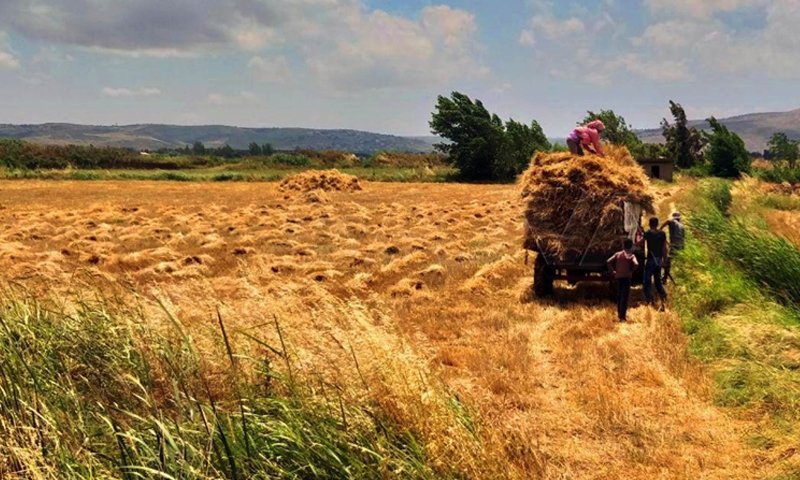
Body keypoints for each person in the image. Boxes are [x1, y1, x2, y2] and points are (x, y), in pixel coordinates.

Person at [608, 238, 639, 322]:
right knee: (624, 297)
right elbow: (636, 264)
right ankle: (622, 317)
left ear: (623, 246)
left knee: (619, 295)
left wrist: (613, 271)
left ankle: (619, 312)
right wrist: (631, 270)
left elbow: (608, 261)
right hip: (627, 278)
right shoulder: (631, 255)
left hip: (618, 277)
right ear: (631, 246)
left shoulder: (618, 254)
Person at [643, 217, 668, 309]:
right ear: (657, 224)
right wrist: (664, 261)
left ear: (649, 224)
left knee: (646, 281)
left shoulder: (648, 233)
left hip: (650, 261)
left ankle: (650, 300)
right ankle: (663, 296)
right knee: (657, 281)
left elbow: (640, 242)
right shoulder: (662, 234)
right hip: (658, 260)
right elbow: (664, 248)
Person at [660, 211, 685, 284]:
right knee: (680, 261)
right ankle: (682, 276)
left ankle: (664, 279)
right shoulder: (682, 226)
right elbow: (683, 238)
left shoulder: (673, 221)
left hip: (675, 245)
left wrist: (660, 229)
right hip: (681, 245)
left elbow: (668, 220)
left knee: (667, 262)